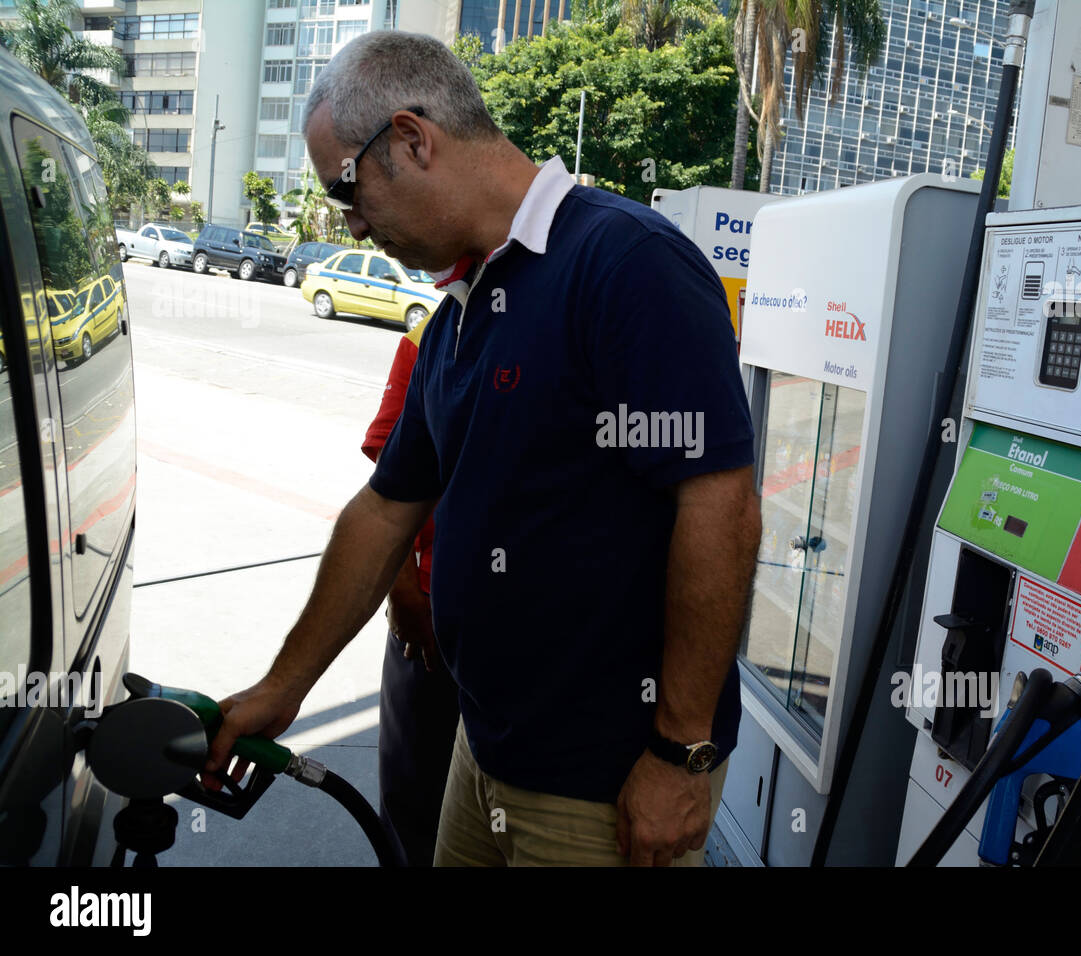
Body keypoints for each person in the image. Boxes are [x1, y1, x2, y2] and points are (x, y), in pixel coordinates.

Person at [205, 30, 761, 867]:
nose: (351, 222)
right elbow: (388, 507)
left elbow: (721, 506)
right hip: (484, 752)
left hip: (602, 789)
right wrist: (283, 689)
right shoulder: (464, 304)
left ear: (410, 139)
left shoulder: (627, 264)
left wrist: (682, 755)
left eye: (347, 192)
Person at [362, 315, 460, 868]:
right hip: (426, 623)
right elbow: (387, 486)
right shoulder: (433, 334)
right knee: (412, 799)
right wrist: (403, 596)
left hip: (515, 637)